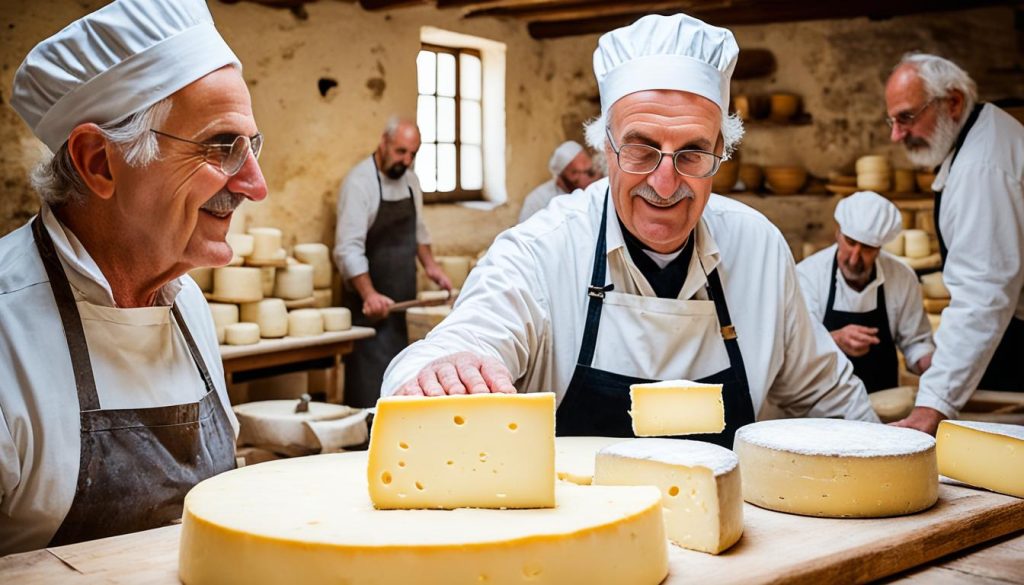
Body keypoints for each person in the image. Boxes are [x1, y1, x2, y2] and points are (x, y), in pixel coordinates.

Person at [381, 13, 878, 444]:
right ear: (606, 150)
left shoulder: (759, 248)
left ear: (720, 155)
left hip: (734, 548)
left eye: (692, 153)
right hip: (572, 549)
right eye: (641, 150)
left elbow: (828, 393)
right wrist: (445, 370)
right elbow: (460, 344)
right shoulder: (543, 251)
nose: (665, 184)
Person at [0, 0, 267, 554]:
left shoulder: (186, 301)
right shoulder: (7, 330)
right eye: (222, 146)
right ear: (99, 161)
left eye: (251, 146)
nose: (253, 184)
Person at [885, 54, 1023, 434]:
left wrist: (933, 404)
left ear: (954, 102)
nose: (896, 135)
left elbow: (983, 292)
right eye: (892, 120)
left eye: (907, 117)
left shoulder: (982, 167)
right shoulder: (983, 136)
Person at [333, 117, 452, 408]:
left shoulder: (410, 180)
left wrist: (431, 267)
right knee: (369, 395)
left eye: (413, 154)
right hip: (369, 313)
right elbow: (347, 249)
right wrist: (369, 294)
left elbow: (418, 231)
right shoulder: (360, 183)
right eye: (400, 152)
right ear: (383, 143)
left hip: (401, 307)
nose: (407, 160)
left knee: (400, 389)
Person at [797, 192, 934, 392]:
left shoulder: (902, 277)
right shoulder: (808, 275)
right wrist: (834, 340)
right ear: (838, 234)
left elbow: (916, 341)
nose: (854, 258)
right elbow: (797, 347)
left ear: (879, 248)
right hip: (821, 405)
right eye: (850, 243)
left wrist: (929, 363)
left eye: (867, 249)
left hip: (882, 405)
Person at [518, 141, 596, 223]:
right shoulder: (537, 200)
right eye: (575, 173)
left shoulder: (595, 189)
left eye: (589, 172)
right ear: (560, 177)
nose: (586, 178)